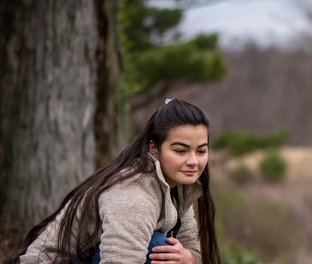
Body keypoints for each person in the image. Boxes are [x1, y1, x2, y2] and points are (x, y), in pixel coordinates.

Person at [12, 98, 222, 264]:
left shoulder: (179, 189)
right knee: (158, 249)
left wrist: (188, 258)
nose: (193, 161)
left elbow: (193, 251)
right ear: (154, 149)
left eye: (201, 150)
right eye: (180, 150)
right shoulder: (133, 194)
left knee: (171, 253)